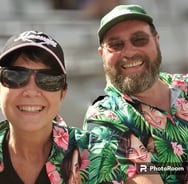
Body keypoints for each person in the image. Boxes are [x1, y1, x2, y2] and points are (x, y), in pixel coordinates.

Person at [83, 4, 188, 184]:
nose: (129, 52)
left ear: (157, 41)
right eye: (116, 45)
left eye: (139, 40)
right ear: (102, 54)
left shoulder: (184, 84)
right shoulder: (105, 119)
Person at [0, 30, 90, 184]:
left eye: (48, 79)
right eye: (15, 76)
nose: (31, 91)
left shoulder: (97, 155)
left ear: (63, 93)